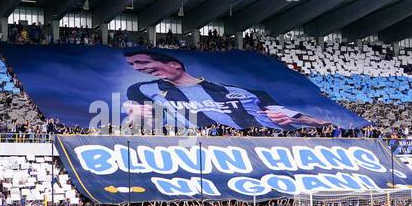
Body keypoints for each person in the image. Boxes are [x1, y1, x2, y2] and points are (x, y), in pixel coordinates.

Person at [121, 48, 334, 133]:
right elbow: (137, 121)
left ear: (175, 64)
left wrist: (316, 122)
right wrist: (135, 116)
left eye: (141, 62)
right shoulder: (143, 90)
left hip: (255, 143)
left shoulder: (243, 92)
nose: (140, 68)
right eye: (135, 66)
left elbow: (291, 115)